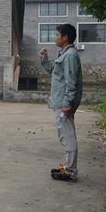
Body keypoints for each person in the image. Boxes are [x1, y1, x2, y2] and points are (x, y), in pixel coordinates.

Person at [39, 23, 83, 182]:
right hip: (60, 100)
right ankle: (69, 167)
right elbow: (55, 72)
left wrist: (67, 103)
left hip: (63, 102)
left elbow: (71, 82)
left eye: (57, 35)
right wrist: (44, 59)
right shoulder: (64, 54)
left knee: (67, 135)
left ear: (65, 37)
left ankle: (70, 171)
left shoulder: (70, 55)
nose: (55, 38)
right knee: (66, 134)